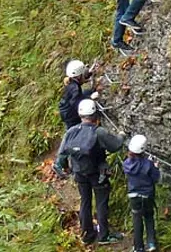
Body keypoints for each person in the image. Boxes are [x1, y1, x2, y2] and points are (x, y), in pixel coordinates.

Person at [55, 98, 125, 246]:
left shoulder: (71, 131)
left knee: (85, 202)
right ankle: (104, 235)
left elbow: (62, 154)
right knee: (101, 203)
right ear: (95, 114)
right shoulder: (99, 132)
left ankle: (87, 234)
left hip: (79, 173)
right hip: (98, 174)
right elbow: (115, 145)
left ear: (80, 114)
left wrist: (64, 168)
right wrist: (122, 135)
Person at [123, 134, 160, 252]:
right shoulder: (148, 164)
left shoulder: (126, 164)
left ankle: (138, 247)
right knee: (149, 217)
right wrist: (155, 167)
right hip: (147, 195)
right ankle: (151, 243)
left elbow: (137, 165)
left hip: (133, 196)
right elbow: (155, 178)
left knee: (137, 219)